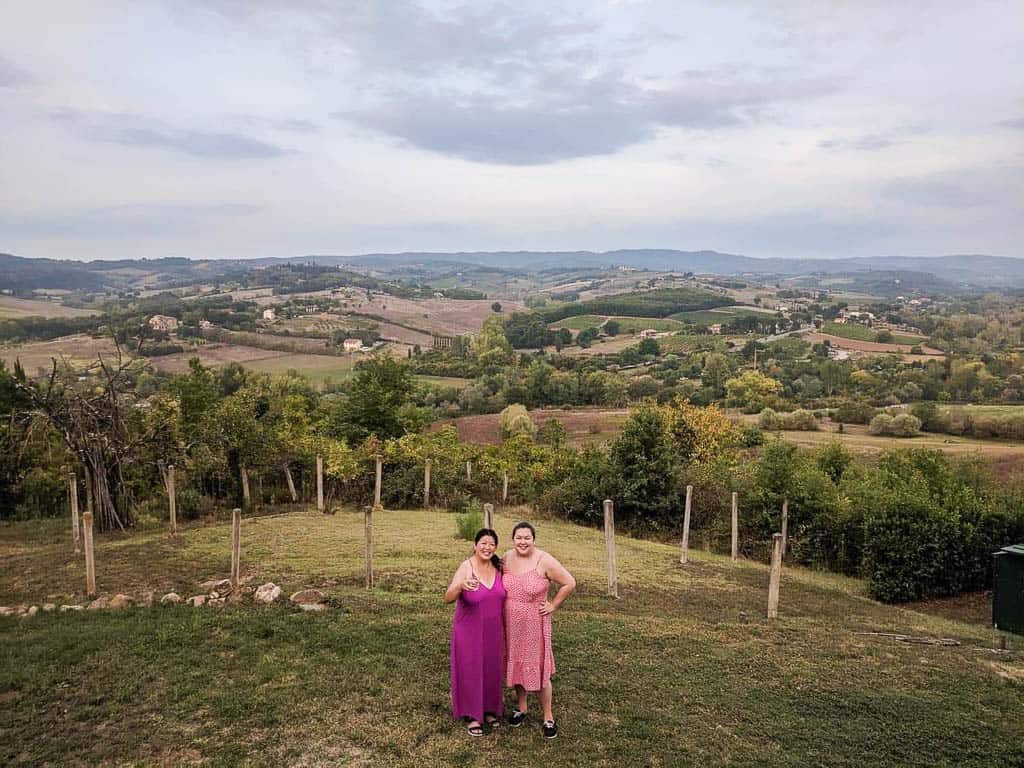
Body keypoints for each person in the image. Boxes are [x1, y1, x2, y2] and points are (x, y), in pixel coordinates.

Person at [502, 521, 576, 739]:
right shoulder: (506, 557)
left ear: (534, 539)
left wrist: (553, 604)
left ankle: (548, 716)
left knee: (538, 669)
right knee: (516, 665)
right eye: (519, 537)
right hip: (510, 624)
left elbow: (569, 582)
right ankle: (522, 708)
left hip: (534, 623)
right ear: (513, 539)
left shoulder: (545, 560)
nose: (522, 541)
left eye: (527, 538)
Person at [444, 528, 506, 736]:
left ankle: (489, 709)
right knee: (470, 670)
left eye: (491, 544)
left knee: (491, 668)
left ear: (495, 548)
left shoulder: (499, 568)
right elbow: (448, 597)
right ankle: (472, 715)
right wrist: (461, 585)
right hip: (468, 631)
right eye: (483, 543)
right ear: (475, 545)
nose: (487, 547)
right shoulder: (466, 567)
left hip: (493, 630)